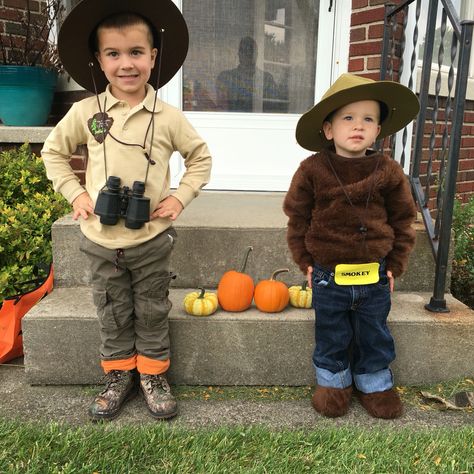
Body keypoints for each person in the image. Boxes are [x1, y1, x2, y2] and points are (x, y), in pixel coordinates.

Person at [41, 0, 211, 421]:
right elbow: (53, 153)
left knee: (152, 308)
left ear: (154, 57)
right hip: (100, 240)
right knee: (111, 308)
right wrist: (77, 195)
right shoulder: (87, 112)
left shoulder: (168, 117)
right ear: (98, 59)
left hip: (150, 239)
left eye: (136, 52)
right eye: (113, 54)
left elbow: (200, 159)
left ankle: (153, 375)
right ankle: (119, 373)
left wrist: (179, 197)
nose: (126, 64)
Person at [283, 73, 419, 419]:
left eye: (368, 119)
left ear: (378, 131)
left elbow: (404, 220)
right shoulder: (312, 170)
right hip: (329, 275)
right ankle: (333, 383)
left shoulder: (388, 170)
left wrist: (394, 266)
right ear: (328, 129)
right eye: (348, 117)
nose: (358, 125)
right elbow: (297, 219)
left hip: (374, 276)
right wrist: (305, 262)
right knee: (332, 333)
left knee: (374, 333)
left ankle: (374, 384)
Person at [216, 36, 279, 112]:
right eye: (244, 51)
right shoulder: (225, 77)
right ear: (239, 54)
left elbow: (274, 109)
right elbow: (221, 110)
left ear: (256, 55)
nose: (247, 54)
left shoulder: (267, 79)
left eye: (251, 51)